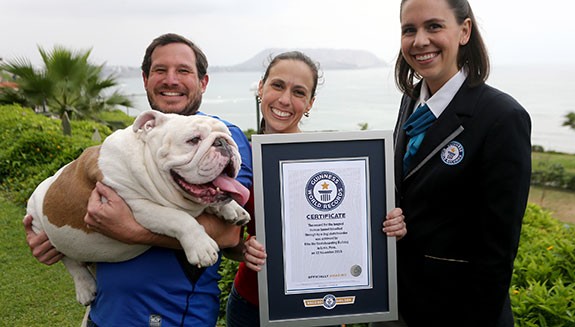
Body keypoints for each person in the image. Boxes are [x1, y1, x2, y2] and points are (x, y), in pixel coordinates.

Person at [23, 33, 252, 327]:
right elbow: (78, 202)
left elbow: (227, 234)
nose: (171, 80)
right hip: (104, 313)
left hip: (172, 318)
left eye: (183, 71)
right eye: (160, 70)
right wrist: (57, 238)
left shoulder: (222, 136)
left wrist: (131, 229)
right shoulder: (134, 139)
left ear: (203, 82)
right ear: (145, 79)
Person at [375, 0, 531, 326]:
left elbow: (497, 253)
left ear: (464, 31)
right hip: (398, 303)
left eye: (434, 26)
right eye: (409, 30)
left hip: (459, 312)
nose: (419, 41)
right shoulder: (412, 101)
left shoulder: (502, 117)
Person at [224, 51, 408, 327]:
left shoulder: (332, 163)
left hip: (319, 310)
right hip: (251, 307)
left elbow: (363, 228)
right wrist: (243, 249)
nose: (285, 100)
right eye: (277, 85)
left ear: (309, 103)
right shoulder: (240, 159)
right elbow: (226, 240)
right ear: (261, 88)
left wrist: (392, 226)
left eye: (298, 92)